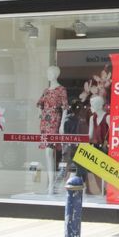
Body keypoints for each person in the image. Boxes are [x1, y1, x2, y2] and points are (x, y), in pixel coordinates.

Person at [37, 65, 68, 194]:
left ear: (55, 74)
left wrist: (61, 125)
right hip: (45, 121)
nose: (48, 75)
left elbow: (65, 107)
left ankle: (52, 185)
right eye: (47, 72)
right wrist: (41, 113)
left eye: (50, 73)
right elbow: (39, 103)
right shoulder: (46, 90)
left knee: (50, 151)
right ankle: (51, 183)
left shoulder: (61, 89)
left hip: (55, 119)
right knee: (48, 152)